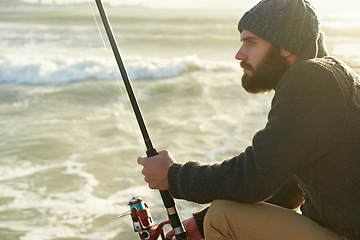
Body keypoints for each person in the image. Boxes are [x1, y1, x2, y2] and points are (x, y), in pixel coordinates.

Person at [137, 0, 360, 239]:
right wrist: (200, 223)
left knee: (221, 217)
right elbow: (286, 184)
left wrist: (174, 176)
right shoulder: (332, 76)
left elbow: (255, 177)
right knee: (216, 216)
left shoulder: (311, 78)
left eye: (251, 43)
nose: (239, 54)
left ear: (286, 46)